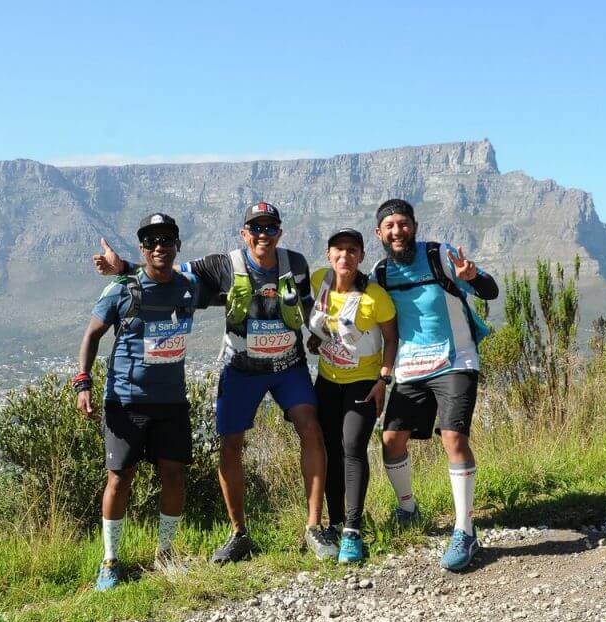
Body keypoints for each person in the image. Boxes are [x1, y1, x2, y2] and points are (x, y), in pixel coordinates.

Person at [94, 202, 336, 562]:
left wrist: (316, 334)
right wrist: (125, 269)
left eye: (270, 228)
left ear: (279, 233)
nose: (263, 235)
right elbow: (169, 272)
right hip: (240, 367)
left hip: (288, 364)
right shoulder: (222, 265)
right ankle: (239, 533)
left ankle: (314, 527)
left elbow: (305, 307)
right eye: (256, 228)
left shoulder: (296, 264)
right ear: (244, 234)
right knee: (230, 445)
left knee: (311, 430)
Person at [76, 213, 212, 591]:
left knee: (175, 476)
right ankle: (110, 560)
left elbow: (219, 291)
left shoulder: (189, 287)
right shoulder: (123, 289)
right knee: (119, 479)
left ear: (177, 245)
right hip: (126, 401)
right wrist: (83, 382)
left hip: (172, 401)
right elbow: (92, 334)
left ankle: (166, 555)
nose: (159, 247)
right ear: (142, 247)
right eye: (151, 241)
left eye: (166, 240)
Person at [371, 199, 499, 572]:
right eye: (390, 226)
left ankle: (465, 531)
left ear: (414, 226)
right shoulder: (381, 273)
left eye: (403, 224)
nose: (397, 231)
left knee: (453, 438)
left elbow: (489, 292)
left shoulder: (440, 256)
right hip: (411, 368)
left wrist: (472, 276)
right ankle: (408, 509)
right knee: (391, 441)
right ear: (379, 233)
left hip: (455, 360)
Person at [306, 228, 398, 563]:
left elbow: (391, 337)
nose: (345, 256)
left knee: (352, 447)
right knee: (329, 448)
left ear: (361, 256)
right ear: (329, 255)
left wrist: (384, 379)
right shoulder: (319, 280)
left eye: (352, 250)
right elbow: (312, 319)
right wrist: (315, 339)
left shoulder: (375, 297)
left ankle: (353, 531)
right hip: (328, 381)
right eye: (338, 250)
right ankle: (336, 521)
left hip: (363, 383)